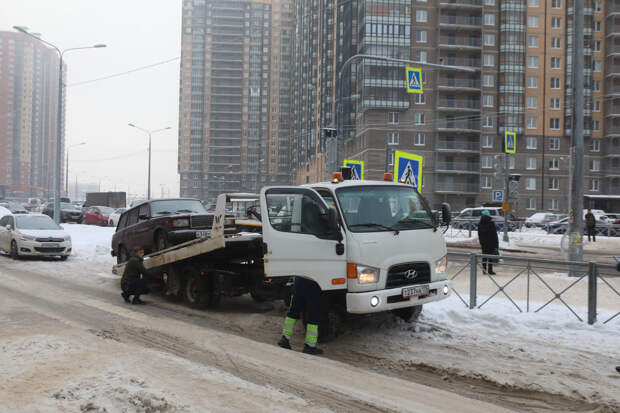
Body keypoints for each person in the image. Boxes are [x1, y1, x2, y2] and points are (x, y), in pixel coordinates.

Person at [278, 277, 324, 355]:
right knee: (313, 316)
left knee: (293, 312)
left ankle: (285, 338)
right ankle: (310, 346)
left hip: (298, 285)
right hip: (313, 286)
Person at [478, 210, 499, 275]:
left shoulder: (480, 224)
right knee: (490, 257)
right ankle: (490, 270)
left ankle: (484, 270)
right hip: (491, 243)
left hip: (483, 243)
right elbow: (494, 235)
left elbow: (479, 235)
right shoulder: (491, 223)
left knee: (484, 257)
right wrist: (496, 245)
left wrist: (481, 242)